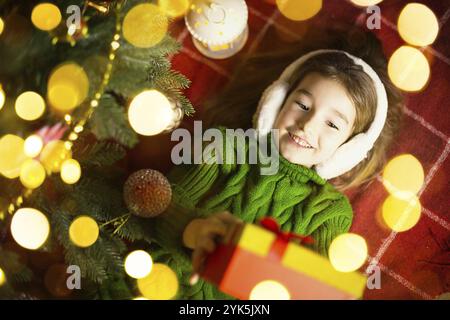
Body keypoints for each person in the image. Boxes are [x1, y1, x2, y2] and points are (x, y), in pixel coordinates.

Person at [148, 26, 404, 300]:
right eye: (303, 105)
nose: (306, 126)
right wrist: (194, 230)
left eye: (332, 124)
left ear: (350, 149)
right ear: (275, 102)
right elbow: (159, 202)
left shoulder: (330, 211)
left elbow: (313, 289)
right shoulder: (225, 146)